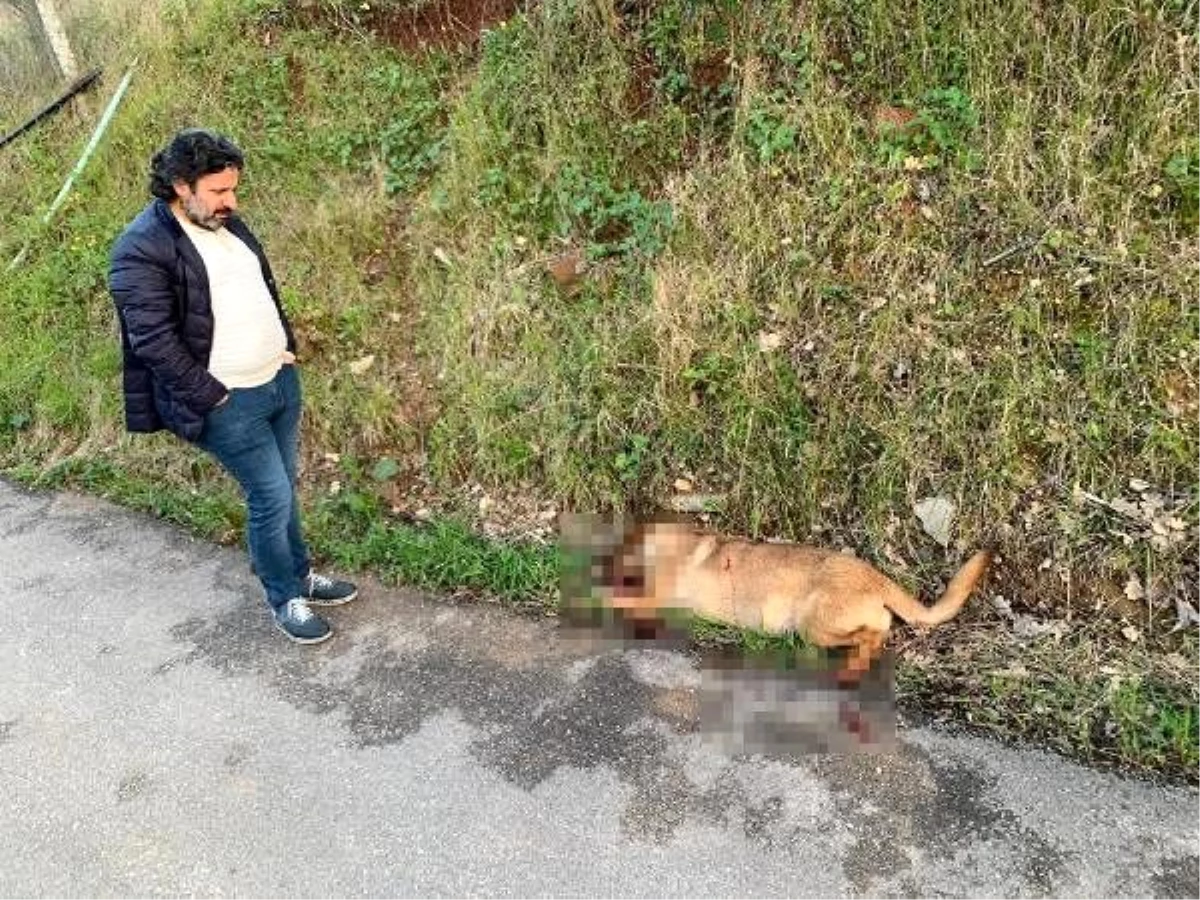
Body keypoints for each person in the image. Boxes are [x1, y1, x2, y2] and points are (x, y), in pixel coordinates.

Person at [108, 128, 357, 645]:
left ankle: (301, 575)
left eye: (234, 189)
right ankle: (283, 596)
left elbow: (260, 288)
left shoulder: (228, 224)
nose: (231, 201)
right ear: (182, 185)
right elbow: (152, 342)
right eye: (220, 191)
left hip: (278, 382)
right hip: (229, 401)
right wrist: (212, 397)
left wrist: (284, 346)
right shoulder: (141, 248)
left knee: (285, 489)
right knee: (269, 495)